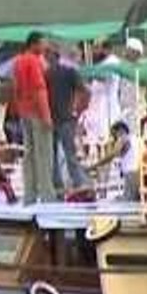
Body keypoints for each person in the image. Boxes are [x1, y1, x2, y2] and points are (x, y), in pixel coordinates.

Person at [12, 32, 55, 204]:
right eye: (43, 44)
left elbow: (16, 88)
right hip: (37, 112)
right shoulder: (34, 61)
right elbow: (39, 89)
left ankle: (29, 194)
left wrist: (19, 110)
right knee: (43, 154)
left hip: (24, 112)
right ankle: (47, 195)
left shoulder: (17, 61)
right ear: (34, 44)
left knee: (29, 155)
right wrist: (46, 116)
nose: (45, 47)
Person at [46, 48, 90, 196]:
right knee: (62, 154)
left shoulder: (54, 74)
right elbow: (84, 91)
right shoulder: (51, 74)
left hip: (60, 119)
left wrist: (77, 110)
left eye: (48, 55)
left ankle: (73, 184)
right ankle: (70, 184)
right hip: (57, 119)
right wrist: (78, 110)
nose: (46, 58)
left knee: (64, 154)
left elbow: (84, 91)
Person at [87, 121, 138, 202]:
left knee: (128, 201)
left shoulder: (123, 138)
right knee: (129, 200)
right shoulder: (133, 138)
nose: (114, 137)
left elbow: (112, 155)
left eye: (114, 134)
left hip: (131, 173)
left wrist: (94, 166)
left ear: (120, 130)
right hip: (134, 173)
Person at [119, 37, 145, 132]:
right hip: (123, 111)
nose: (125, 52)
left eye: (128, 50)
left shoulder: (141, 70)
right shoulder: (122, 69)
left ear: (136, 53)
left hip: (137, 111)